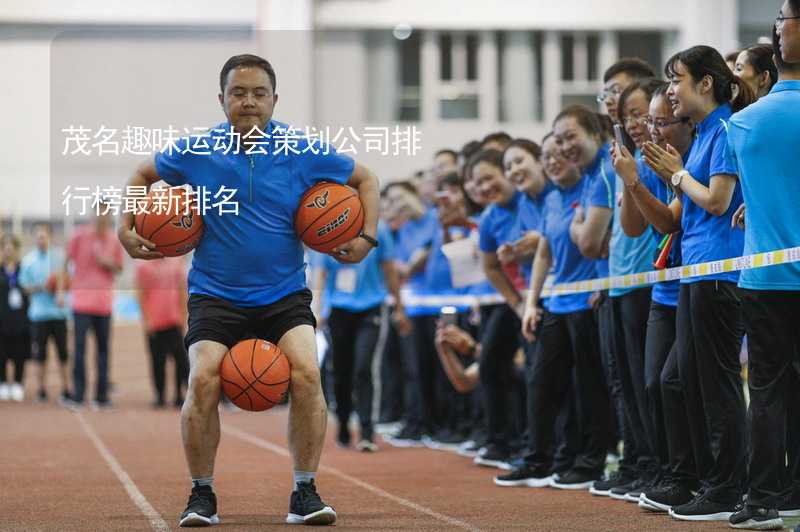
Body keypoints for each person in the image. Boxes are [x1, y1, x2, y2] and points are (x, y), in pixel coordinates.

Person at [117, 54, 380, 527]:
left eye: (259, 93)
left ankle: (305, 490)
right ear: (221, 99)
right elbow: (140, 175)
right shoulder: (196, 151)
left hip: (283, 295)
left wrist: (366, 239)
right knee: (202, 378)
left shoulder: (302, 151)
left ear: (274, 99)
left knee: (306, 372)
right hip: (216, 295)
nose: (249, 102)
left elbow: (366, 180)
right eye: (238, 93)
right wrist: (125, 226)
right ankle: (202, 494)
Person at [641, 44, 753, 521]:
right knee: (683, 380)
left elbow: (717, 201)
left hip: (720, 274)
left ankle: (728, 487)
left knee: (718, 385)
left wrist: (678, 174)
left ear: (705, 83)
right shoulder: (706, 131)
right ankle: (709, 480)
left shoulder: (725, 129)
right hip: (696, 272)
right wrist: (674, 176)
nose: (670, 91)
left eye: (677, 79)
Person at [496, 133, 610, 489]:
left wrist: (603, 284)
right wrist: (531, 303)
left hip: (587, 302)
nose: (552, 160)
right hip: (557, 303)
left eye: (556, 152)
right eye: (545, 156)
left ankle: (588, 462)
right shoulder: (553, 200)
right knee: (541, 382)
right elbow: (544, 253)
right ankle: (540, 459)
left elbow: (602, 244)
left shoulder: (593, 188)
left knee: (587, 387)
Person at [611, 82, 699, 513]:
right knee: (651, 384)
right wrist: (631, 180)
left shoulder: (687, 157)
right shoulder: (649, 161)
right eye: (644, 119)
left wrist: (647, 178)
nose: (647, 127)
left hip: (694, 284)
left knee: (674, 383)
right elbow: (633, 226)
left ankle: (691, 476)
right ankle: (669, 473)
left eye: (657, 119)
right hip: (664, 288)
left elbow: (668, 223)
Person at [725, 23, 800, 530]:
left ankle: (766, 498)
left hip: (767, 278)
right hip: (772, 274)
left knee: (768, 390)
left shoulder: (743, 124)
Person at [594, 79, 662, 503]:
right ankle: (639, 462)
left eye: (639, 112)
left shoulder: (654, 157)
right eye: (624, 115)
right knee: (628, 385)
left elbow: (642, 226)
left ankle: (655, 465)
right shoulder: (628, 157)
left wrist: (631, 177)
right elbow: (625, 227)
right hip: (619, 283)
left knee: (648, 383)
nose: (631, 121)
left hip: (646, 282)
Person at [313, 221, 410, 452]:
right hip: (338, 309)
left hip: (371, 307)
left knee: (364, 368)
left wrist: (399, 307)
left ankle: (367, 431)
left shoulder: (379, 228)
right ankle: (344, 423)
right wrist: (316, 309)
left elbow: (388, 268)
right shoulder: (327, 223)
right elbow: (321, 272)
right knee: (340, 371)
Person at [66, 204, 123, 409]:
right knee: (79, 350)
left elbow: (119, 267)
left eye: (106, 211)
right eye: (99, 210)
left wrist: (108, 263)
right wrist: (62, 290)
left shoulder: (114, 239)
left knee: (102, 351)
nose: (102, 215)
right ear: (94, 212)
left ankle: (101, 396)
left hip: (103, 305)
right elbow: (66, 262)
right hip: (81, 302)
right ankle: (78, 395)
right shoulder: (79, 236)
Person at [19, 224, 71, 403]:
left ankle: (66, 389)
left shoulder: (59, 258)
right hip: (38, 315)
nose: (41, 239)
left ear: (50, 237)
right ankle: (41, 390)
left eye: (44, 236)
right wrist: (42, 287)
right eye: (38, 236)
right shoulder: (28, 261)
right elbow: (24, 287)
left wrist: (60, 290)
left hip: (58, 314)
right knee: (40, 355)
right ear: (34, 238)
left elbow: (69, 279)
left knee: (63, 354)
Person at [135, 256, 189, 409]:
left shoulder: (176, 263)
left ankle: (179, 395)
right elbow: (141, 294)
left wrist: (183, 316)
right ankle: (160, 396)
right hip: (154, 322)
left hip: (174, 320)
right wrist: (146, 321)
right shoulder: (143, 266)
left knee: (181, 361)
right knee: (157, 361)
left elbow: (182, 290)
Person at [0, 234, 30, 402]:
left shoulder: (23, 269)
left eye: (11, 246)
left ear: (16, 250)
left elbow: (29, 289)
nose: (8, 249)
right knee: (1, 352)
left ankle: (18, 383)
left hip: (20, 318)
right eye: (5, 246)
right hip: (2, 318)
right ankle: (3, 382)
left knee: (20, 352)